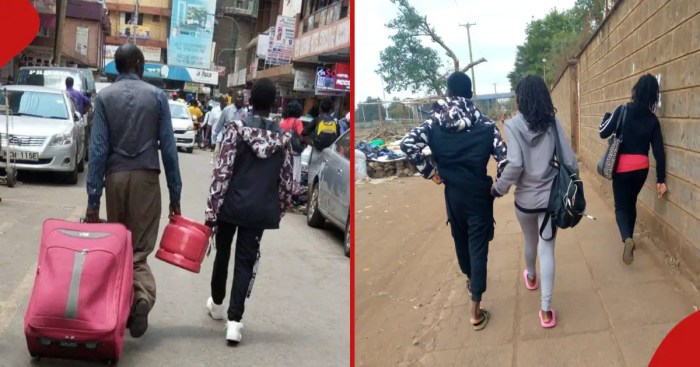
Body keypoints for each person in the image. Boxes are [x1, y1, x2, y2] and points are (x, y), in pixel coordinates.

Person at [85, 44, 182, 338]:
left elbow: (98, 150)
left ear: (117, 66)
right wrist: (175, 194)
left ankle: (124, 305)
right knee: (138, 250)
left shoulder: (104, 97)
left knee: (120, 245)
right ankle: (142, 298)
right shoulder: (157, 96)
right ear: (139, 64)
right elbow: (169, 149)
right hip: (146, 179)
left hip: (114, 179)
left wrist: (93, 200)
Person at [400, 72, 507, 331]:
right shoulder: (485, 124)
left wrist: (431, 172)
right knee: (478, 246)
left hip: (453, 194)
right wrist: (498, 187)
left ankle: (471, 278)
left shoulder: (434, 124)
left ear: (448, 93)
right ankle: (475, 310)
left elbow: (407, 143)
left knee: (460, 238)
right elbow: (505, 159)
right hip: (479, 194)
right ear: (470, 94)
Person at [204, 78, 294, 343]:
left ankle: (217, 305)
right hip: (259, 210)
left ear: (250, 101)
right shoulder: (283, 138)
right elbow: (288, 181)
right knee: (245, 261)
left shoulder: (236, 129)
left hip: (231, 206)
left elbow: (222, 172)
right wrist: (280, 206)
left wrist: (212, 209)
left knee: (222, 253)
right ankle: (235, 321)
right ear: (275, 103)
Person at [492, 75, 578, 328]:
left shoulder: (513, 125)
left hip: (525, 202)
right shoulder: (553, 123)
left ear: (520, 98)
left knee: (530, 240)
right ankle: (546, 310)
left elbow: (515, 163)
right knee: (547, 248)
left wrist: (499, 188)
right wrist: (573, 188)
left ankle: (531, 276)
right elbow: (570, 160)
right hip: (551, 198)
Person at [599, 73, 666, 265]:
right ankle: (631, 237)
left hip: (622, 167)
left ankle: (627, 238)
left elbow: (603, 132)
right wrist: (661, 180)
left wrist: (606, 116)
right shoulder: (653, 120)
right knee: (632, 201)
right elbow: (659, 152)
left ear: (635, 91)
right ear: (654, 96)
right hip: (641, 168)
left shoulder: (623, 110)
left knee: (621, 205)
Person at [302, 99, 340, 181]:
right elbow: (338, 138)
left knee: (312, 174)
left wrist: (312, 143)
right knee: (324, 176)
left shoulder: (317, 119)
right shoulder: (334, 122)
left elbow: (304, 133)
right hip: (329, 153)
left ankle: (310, 191)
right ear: (331, 110)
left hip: (317, 150)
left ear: (320, 109)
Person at [280, 101, 306, 197]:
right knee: (294, 174)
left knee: (285, 173)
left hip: (284, 151)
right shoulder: (297, 122)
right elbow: (301, 136)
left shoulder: (282, 122)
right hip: (294, 152)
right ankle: (291, 196)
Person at [212, 96, 246, 162]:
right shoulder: (227, 110)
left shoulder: (245, 113)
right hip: (226, 140)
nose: (241, 99)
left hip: (238, 142)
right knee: (224, 161)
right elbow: (219, 125)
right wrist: (213, 139)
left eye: (242, 98)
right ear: (234, 99)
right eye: (239, 97)